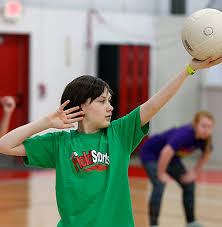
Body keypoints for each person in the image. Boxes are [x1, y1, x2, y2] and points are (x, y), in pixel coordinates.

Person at [0, 57, 221, 227]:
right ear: (81, 107)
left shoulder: (119, 134)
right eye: (102, 101)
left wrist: (189, 69)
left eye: (110, 101)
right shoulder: (60, 143)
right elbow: (4, 145)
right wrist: (46, 122)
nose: (110, 107)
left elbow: (154, 104)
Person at [139, 110, 215, 227]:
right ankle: (153, 224)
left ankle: (191, 222)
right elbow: (166, 152)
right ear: (195, 124)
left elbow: (207, 153)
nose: (206, 130)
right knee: (159, 184)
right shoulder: (185, 134)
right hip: (151, 154)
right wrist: (161, 174)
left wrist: (194, 172)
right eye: (203, 126)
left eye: (209, 127)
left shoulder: (205, 139)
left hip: (172, 159)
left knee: (189, 184)